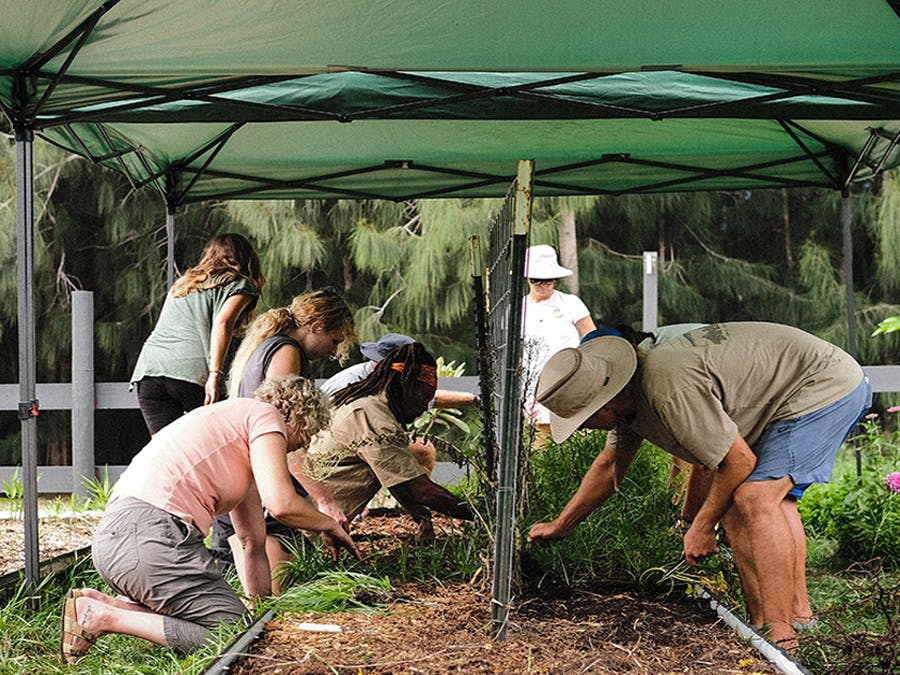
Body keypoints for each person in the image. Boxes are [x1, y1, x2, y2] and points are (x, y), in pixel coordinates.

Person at [527, 322, 871, 648]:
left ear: (607, 399)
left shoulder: (667, 387)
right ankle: (763, 622)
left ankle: (783, 637)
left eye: (584, 417)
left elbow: (737, 462)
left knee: (756, 496)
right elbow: (610, 469)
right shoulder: (628, 400)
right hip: (784, 394)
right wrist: (561, 525)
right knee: (732, 504)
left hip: (823, 384)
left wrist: (701, 526)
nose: (584, 427)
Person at [59, 376, 358, 664]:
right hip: (152, 539)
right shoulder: (266, 416)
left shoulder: (233, 433)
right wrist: (328, 523)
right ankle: (102, 617)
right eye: (307, 435)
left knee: (247, 626)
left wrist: (263, 611)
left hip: (120, 544)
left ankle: (110, 605)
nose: (300, 447)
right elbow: (281, 505)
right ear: (299, 415)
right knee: (234, 634)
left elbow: (251, 543)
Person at [212, 288, 357, 592]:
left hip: (246, 483)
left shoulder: (264, 345)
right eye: (334, 340)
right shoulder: (286, 352)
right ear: (316, 325)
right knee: (277, 597)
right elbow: (282, 430)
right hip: (258, 490)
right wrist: (324, 502)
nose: (334, 352)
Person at [292, 342, 475, 541]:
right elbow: (420, 490)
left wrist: (422, 517)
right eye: (424, 396)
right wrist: (480, 514)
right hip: (299, 534)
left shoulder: (369, 403)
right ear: (405, 385)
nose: (426, 406)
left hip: (307, 525)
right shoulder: (374, 420)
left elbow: (399, 482)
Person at [130, 233, 265, 435]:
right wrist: (214, 375)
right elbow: (224, 322)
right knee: (216, 441)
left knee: (165, 449)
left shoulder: (185, 282)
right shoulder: (240, 284)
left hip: (149, 371)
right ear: (247, 259)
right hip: (190, 371)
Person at [320, 332, 480, 477]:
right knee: (413, 451)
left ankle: (416, 507)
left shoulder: (387, 381)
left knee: (421, 450)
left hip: (358, 443)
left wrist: (473, 399)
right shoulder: (350, 385)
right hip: (329, 451)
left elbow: (428, 399)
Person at [521, 245, 596, 442]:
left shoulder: (570, 303)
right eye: (536, 279)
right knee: (538, 443)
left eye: (548, 280)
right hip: (533, 389)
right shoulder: (518, 309)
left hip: (570, 381)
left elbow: (592, 338)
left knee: (577, 440)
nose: (542, 284)